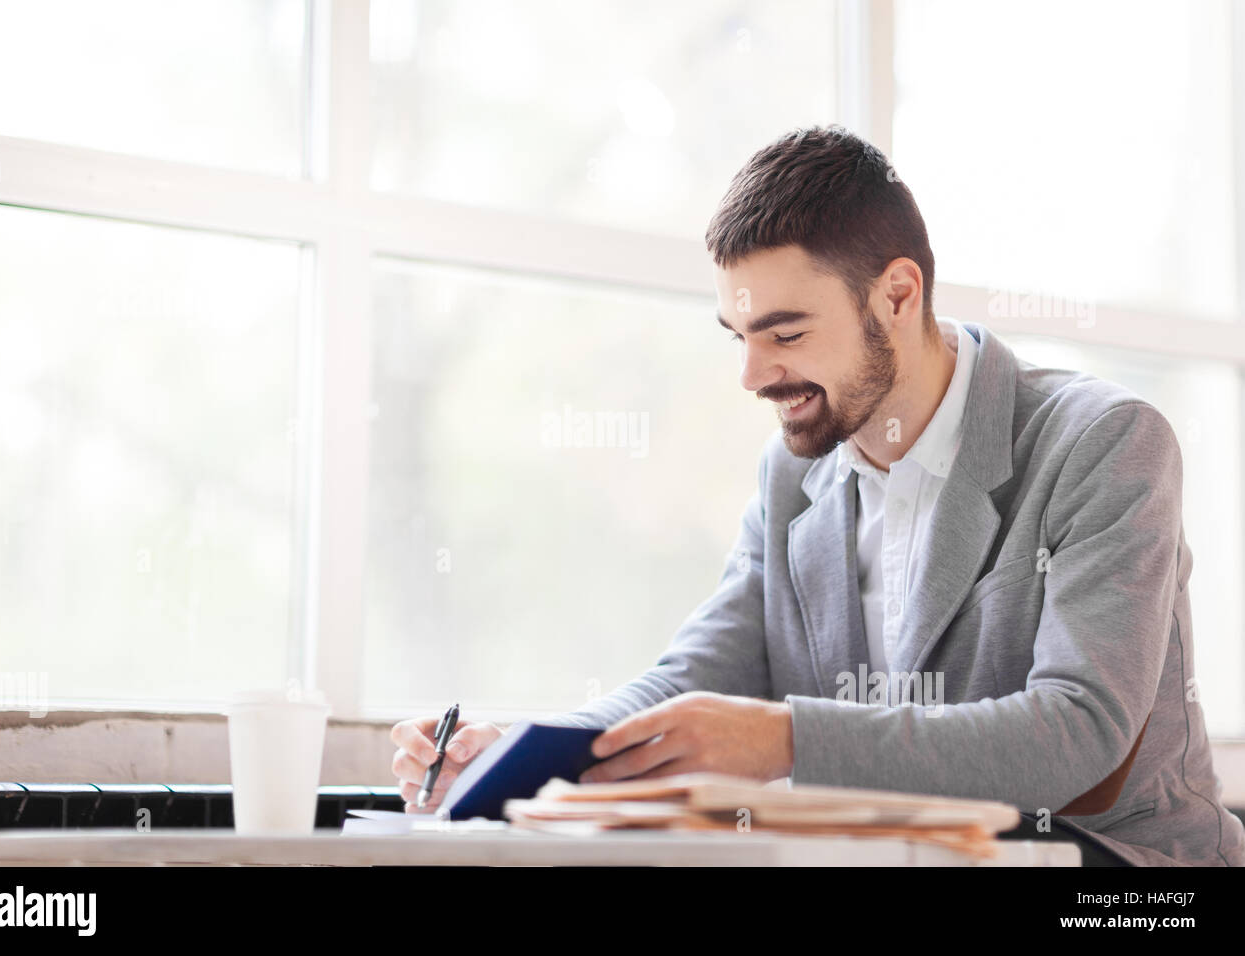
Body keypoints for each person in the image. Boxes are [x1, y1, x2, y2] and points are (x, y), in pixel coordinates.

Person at [391, 126, 1245, 867]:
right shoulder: (795, 476)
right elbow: (698, 676)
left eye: (786, 334)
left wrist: (784, 740)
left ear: (898, 295)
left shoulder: (1103, 441)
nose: (753, 375)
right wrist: (523, 755)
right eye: (739, 336)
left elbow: (1078, 734)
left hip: (1133, 884)